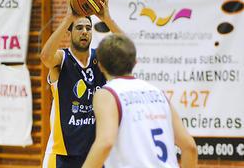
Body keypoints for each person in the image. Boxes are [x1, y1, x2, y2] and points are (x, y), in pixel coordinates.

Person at [82, 35, 198, 168]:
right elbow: (190, 147)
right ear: (135, 62)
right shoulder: (158, 93)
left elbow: (105, 142)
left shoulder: (107, 93)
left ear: (100, 65)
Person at [40, 0, 123, 168]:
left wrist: (107, 19)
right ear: (69, 33)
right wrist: (69, 18)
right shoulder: (62, 59)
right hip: (62, 155)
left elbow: (127, 50)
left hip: (94, 154)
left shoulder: (100, 58)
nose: (84, 31)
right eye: (79, 28)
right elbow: (46, 57)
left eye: (88, 28)